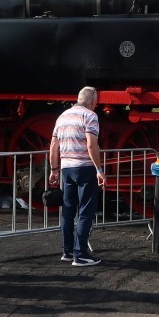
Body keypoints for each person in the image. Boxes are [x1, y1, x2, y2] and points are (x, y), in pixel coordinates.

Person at [48, 87, 105, 266]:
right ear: (93, 101)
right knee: (85, 212)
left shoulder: (62, 116)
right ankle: (80, 254)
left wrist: (54, 169)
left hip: (66, 168)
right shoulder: (90, 116)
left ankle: (67, 251)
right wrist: (99, 169)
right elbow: (91, 145)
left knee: (68, 211)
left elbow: (53, 145)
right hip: (85, 168)